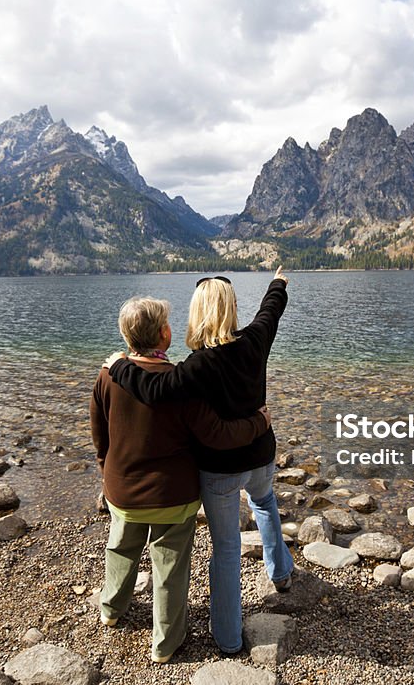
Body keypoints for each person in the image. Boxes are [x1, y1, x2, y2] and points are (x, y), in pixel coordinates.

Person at [106, 267, 293, 655]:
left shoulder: (196, 366)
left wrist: (119, 364)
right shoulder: (255, 339)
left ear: (196, 313)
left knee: (226, 548)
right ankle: (281, 573)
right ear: (231, 309)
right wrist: (278, 283)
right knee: (265, 502)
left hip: (221, 469)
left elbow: (153, 389)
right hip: (261, 453)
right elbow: (271, 310)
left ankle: (227, 638)